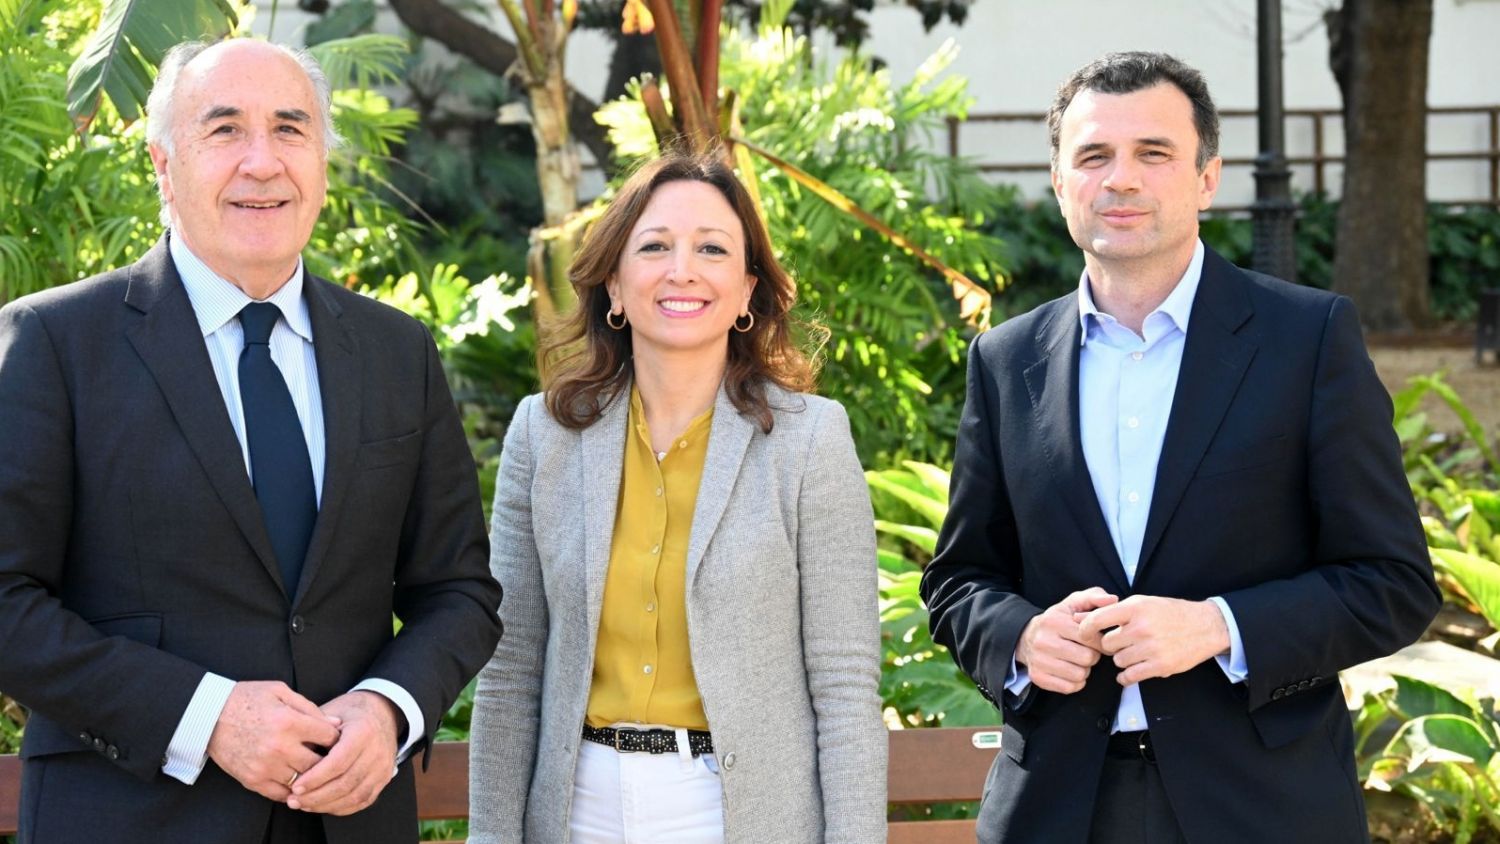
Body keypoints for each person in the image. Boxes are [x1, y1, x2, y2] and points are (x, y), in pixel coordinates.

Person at [920, 51, 1441, 844]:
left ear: (1207, 179)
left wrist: (1221, 626)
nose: (1121, 179)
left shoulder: (1306, 340)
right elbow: (960, 579)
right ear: (1060, 183)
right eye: (1094, 156)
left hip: (1262, 808)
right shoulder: (1005, 360)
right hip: (1056, 808)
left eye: (1153, 153)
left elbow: (1393, 582)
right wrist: (1020, 638)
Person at [0, 39, 502, 844]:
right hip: (134, 821)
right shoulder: (55, 342)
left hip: (350, 819)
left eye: (290, 129)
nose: (262, 162)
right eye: (225, 129)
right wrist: (208, 718)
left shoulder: (396, 351)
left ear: (322, 164)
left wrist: (389, 709)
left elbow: (458, 591)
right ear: (165, 165)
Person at [468, 150, 886, 844]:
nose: (682, 270)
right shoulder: (544, 435)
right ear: (614, 284)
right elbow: (510, 670)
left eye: (712, 249)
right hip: (577, 813)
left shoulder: (810, 440)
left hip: (740, 816)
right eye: (655, 246)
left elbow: (844, 687)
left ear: (747, 290)